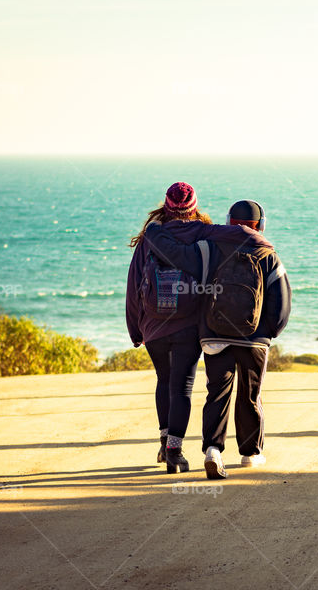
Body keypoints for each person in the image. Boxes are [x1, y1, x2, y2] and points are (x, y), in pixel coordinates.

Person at [144, 199, 291, 479]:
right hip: (254, 338)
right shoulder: (268, 253)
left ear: (227, 222)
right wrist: (268, 333)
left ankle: (213, 449)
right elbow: (281, 304)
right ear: (260, 225)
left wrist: (154, 231)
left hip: (214, 334)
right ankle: (250, 454)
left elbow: (174, 253)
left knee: (217, 392)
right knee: (250, 395)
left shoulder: (207, 248)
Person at [126, 182, 212, 474]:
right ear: (194, 207)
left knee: (164, 381)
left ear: (165, 206)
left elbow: (134, 285)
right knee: (182, 387)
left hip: (153, 324)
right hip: (189, 324)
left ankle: (165, 444)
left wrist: (135, 329)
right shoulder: (204, 234)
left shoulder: (151, 237)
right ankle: (175, 450)